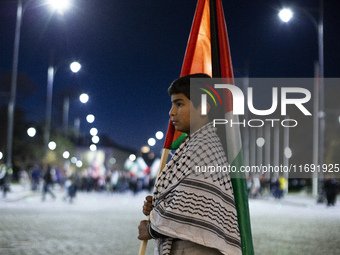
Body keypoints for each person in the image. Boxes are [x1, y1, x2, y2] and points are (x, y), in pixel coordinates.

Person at [138, 74, 241, 255]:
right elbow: (180, 196)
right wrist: (157, 205)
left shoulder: (205, 146)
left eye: (179, 104)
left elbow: (189, 208)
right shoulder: (195, 143)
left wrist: (151, 229)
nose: (171, 112)